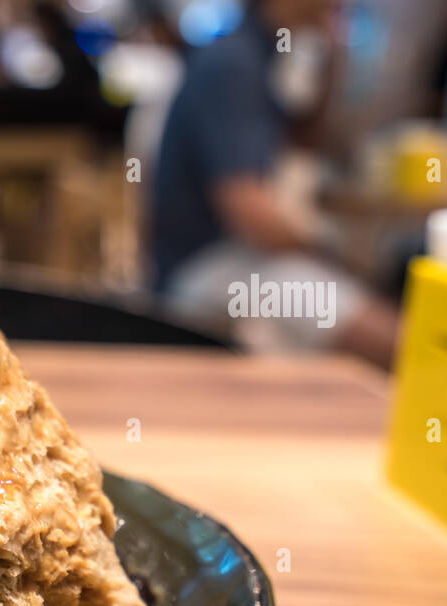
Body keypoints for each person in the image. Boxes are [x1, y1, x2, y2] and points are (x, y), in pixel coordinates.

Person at [150, 0, 400, 367]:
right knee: (386, 336)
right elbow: (249, 209)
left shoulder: (264, 53)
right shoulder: (232, 63)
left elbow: (309, 142)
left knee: (350, 298)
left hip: (240, 255)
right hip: (201, 270)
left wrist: (334, 58)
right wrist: (332, 250)